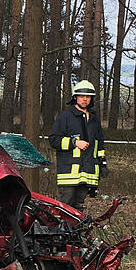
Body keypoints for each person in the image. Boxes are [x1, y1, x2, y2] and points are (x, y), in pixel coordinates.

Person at [48, 80, 107, 212]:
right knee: (65, 205)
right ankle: (59, 230)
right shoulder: (66, 117)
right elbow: (53, 140)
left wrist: (102, 162)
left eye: (88, 97)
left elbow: (99, 143)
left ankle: (75, 231)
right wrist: (74, 142)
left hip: (87, 171)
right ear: (75, 97)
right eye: (81, 96)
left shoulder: (94, 119)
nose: (85, 99)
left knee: (79, 205)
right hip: (68, 172)